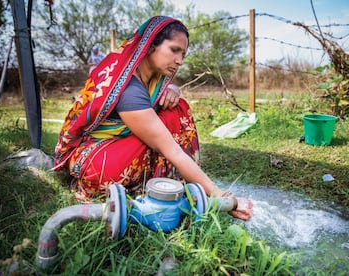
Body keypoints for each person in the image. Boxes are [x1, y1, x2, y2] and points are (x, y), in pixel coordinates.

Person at [54, 16, 253, 221]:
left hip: (100, 153)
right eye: (174, 50)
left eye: (183, 54)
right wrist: (221, 196)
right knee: (169, 127)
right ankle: (168, 183)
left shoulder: (147, 80)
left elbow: (160, 104)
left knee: (175, 108)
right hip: (97, 166)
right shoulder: (129, 89)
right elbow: (172, 150)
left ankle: (161, 181)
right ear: (150, 46)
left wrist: (174, 88)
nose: (180, 60)